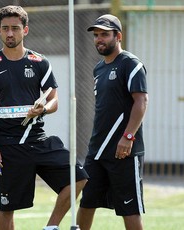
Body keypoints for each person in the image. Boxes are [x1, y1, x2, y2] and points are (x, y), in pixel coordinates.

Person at [0, 5, 88, 230]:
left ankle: (51, 227)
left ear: (25, 30)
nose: (10, 33)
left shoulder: (39, 62)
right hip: (7, 146)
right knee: (6, 208)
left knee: (79, 177)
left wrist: (42, 108)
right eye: (5, 28)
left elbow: (54, 100)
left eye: (15, 28)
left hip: (38, 140)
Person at [76, 14, 148, 230]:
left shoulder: (131, 64)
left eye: (105, 35)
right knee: (87, 202)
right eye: (96, 35)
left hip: (124, 151)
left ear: (118, 36)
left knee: (130, 209)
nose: (99, 39)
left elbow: (141, 101)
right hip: (97, 151)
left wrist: (128, 137)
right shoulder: (98, 68)